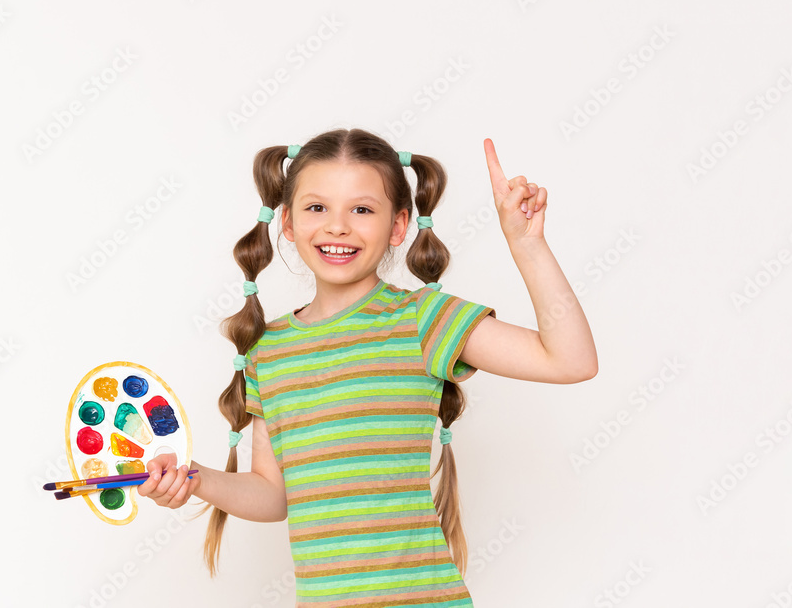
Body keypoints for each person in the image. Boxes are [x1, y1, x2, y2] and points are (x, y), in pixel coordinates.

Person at [137, 128, 597, 605]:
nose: (337, 226)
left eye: (361, 209)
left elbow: (571, 360)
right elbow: (274, 495)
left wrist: (527, 243)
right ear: (288, 224)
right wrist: (193, 479)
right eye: (317, 207)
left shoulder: (423, 319)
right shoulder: (267, 350)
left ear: (398, 226)